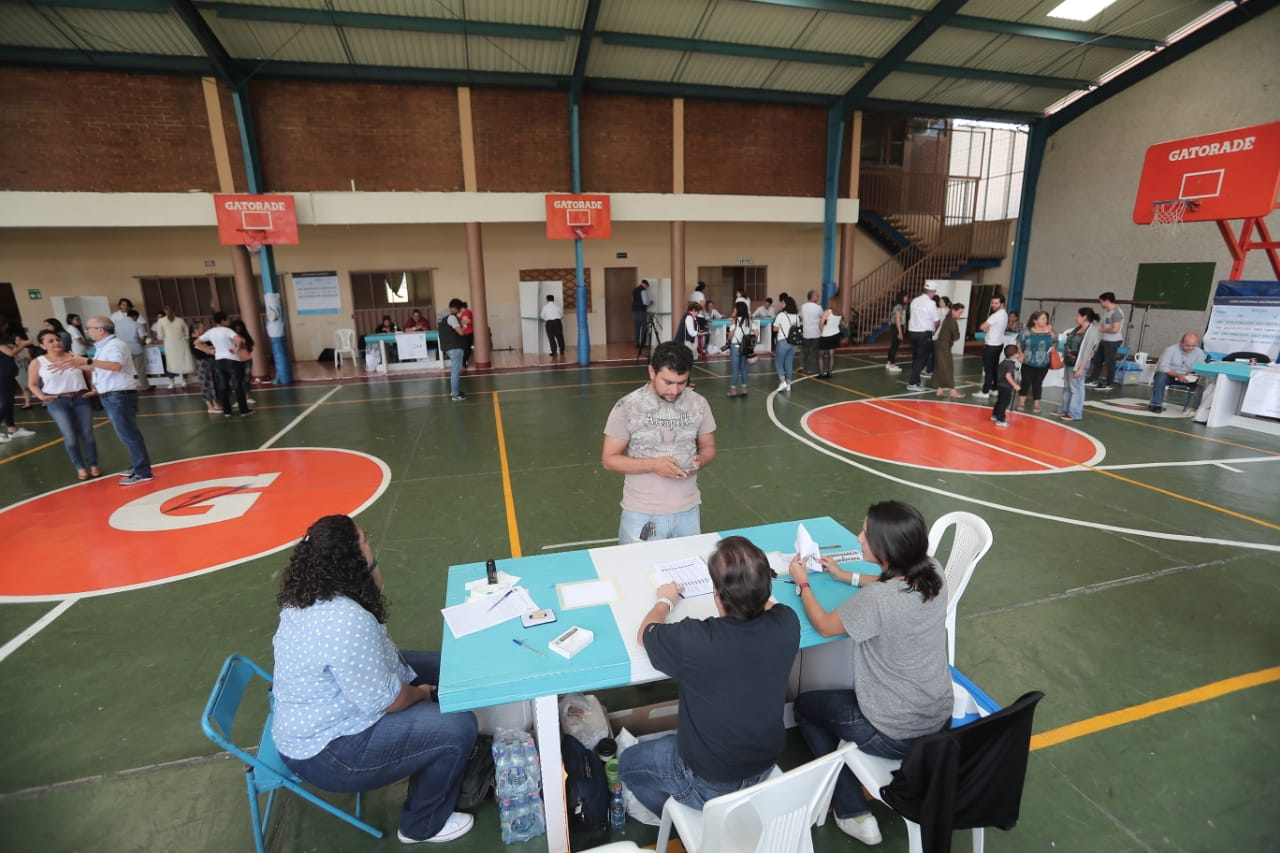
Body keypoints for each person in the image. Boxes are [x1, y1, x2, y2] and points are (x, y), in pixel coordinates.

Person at [272, 515, 478, 845]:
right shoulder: (346, 619)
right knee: (458, 726)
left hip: (326, 714)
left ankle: (432, 749)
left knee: (451, 666)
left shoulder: (308, 595)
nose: (370, 543)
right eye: (364, 540)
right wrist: (422, 695)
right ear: (352, 557)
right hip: (330, 752)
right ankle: (421, 824)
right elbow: (389, 701)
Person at [788, 501, 951, 846]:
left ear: (887, 549)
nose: (860, 538)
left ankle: (851, 810)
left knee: (805, 707)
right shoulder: (933, 571)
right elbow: (891, 585)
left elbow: (824, 625)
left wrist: (803, 584)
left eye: (866, 533)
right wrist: (846, 576)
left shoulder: (878, 600)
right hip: (938, 717)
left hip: (894, 732)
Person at [618, 536, 800, 817]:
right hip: (764, 763)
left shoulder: (696, 641)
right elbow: (769, 607)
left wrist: (665, 599)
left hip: (709, 781)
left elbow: (645, 633)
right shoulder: (787, 623)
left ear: (716, 593)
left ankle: (674, 819)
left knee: (628, 762)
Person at [601, 342, 716, 544]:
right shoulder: (628, 406)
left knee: (688, 573)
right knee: (636, 573)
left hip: (688, 511)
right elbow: (609, 460)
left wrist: (701, 460)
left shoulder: (698, 403)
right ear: (652, 372)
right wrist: (653, 465)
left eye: (682, 382)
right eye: (668, 382)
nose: (674, 390)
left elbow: (708, 446)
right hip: (642, 513)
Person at [72, 317, 154, 484]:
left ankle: (142, 471)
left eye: (89, 328)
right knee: (125, 433)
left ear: (101, 330)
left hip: (119, 395)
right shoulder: (104, 346)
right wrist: (75, 364)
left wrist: (86, 361)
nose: (87, 331)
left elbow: (116, 366)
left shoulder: (115, 345)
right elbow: (100, 367)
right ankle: (138, 465)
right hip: (113, 395)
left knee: (128, 433)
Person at [29, 329, 98, 479]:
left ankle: (93, 464)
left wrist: (94, 388)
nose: (56, 342)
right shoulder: (38, 362)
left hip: (81, 398)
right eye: (51, 341)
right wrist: (42, 397)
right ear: (42, 345)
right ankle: (80, 467)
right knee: (70, 435)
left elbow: (89, 373)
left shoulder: (74, 357)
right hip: (57, 402)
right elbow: (32, 384)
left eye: (58, 339)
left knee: (87, 433)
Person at [195, 313, 252, 417]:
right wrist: (236, 348)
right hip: (232, 359)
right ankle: (243, 410)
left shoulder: (211, 332)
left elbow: (197, 342)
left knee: (223, 386)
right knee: (238, 385)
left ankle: (227, 411)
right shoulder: (227, 330)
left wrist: (208, 350)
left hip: (219, 361)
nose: (229, 321)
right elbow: (239, 340)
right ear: (223, 321)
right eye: (227, 319)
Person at [1054, 307, 1099, 422]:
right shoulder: (1077, 329)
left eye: (1078, 316)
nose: (1075, 318)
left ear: (1084, 317)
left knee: (1076, 388)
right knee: (1068, 387)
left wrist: (1081, 368)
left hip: (1079, 364)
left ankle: (1075, 413)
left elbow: (1088, 352)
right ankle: (1064, 409)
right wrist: (1064, 360)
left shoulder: (1091, 332)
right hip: (1070, 361)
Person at [1148, 333, 1205, 413]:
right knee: (1160, 377)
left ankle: (1197, 408)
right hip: (1170, 376)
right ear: (1181, 342)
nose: (1190, 348)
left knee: (1204, 381)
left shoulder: (1199, 353)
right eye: (1187, 345)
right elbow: (1163, 367)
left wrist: (1196, 375)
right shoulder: (1170, 350)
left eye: (1193, 346)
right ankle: (1157, 404)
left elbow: (1201, 369)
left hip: (1188, 377)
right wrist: (1178, 375)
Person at [0, 322, 36, 443]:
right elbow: (10, 353)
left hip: (7, 374)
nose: (6, 327)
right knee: (6, 402)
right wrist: (24, 344)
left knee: (8, 402)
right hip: (3, 374)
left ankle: (12, 430)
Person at [1016, 311, 1055, 414]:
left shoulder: (1049, 331)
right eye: (1042, 319)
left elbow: (1055, 341)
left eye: (1046, 319)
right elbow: (1019, 342)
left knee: (1038, 383)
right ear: (1035, 320)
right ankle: (1021, 402)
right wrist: (1021, 353)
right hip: (1028, 361)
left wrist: (1051, 334)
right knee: (1025, 382)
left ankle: (1037, 404)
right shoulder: (1027, 331)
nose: (1045, 321)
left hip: (1043, 362)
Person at [1086, 292, 1125, 391]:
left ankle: (1109, 383)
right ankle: (1093, 379)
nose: (1100, 304)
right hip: (1105, 339)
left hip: (1113, 341)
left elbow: (1115, 329)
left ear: (1107, 301)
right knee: (1097, 360)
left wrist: (1101, 329)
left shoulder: (1116, 313)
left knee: (1109, 362)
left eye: (1101, 302)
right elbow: (1105, 325)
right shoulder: (1108, 311)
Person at [906, 282, 940, 391]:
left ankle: (917, 381)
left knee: (916, 358)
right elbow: (937, 321)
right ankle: (913, 383)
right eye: (934, 292)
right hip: (924, 334)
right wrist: (934, 331)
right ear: (931, 292)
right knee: (922, 359)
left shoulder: (914, 301)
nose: (934, 295)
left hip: (912, 333)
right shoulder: (931, 303)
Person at [974, 294, 1007, 398]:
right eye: (992, 303)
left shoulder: (996, 315)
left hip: (991, 345)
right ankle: (994, 388)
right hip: (998, 344)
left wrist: (986, 328)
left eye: (996, 303)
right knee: (993, 368)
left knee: (988, 369)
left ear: (1002, 304)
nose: (993, 305)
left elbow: (982, 326)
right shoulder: (1004, 314)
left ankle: (985, 391)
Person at [154, 306, 194, 390]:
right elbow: (160, 335)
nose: (168, 311)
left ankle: (183, 380)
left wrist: (184, 339)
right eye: (167, 310)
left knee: (183, 361)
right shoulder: (161, 321)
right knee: (171, 362)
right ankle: (172, 381)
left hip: (179, 344)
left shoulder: (180, 320)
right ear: (165, 311)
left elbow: (186, 332)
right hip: (171, 344)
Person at [112, 308, 150, 391]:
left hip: (122, 350)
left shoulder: (117, 324)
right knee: (140, 370)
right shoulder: (137, 325)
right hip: (136, 349)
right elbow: (142, 338)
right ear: (135, 316)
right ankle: (145, 386)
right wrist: (143, 343)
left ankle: (127, 387)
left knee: (125, 370)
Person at [933, 301, 965, 399]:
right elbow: (956, 336)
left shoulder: (948, 318)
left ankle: (939, 390)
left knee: (939, 368)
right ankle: (953, 391)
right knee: (948, 368)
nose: (960, 315)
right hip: (944, 347)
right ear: (953, 311)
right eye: (959, 312)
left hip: (939, 345)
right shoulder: (952, 321)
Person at [437, 298, 466, 401]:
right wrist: (466, 324)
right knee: (456, 371)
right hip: (455, 347)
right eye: (459, 309)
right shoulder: (452, 317)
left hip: (448, 346)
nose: (459, 311)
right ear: (455, 308)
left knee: (455, 370)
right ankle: (455, 394)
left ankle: (455, 391)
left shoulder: (442, 317)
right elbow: (461, 332)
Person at [189, 320, 221, 414]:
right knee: (206, 384)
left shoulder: (204, 338)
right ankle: (210, 406)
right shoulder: (193, 340)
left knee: (213, 382)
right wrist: (209, 349)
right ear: (196, 329)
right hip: (203, 363)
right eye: (201, 327)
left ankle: (215, 403)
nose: (204, 329)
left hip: (211, 362)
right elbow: (206, 350)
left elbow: (212, 347)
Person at [773, 294, 800, 392]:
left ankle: (782, 382)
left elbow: (775, 329)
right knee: (789, 362)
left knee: (779, 362)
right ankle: (788, 384)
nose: (781, 304)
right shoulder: (796, 316)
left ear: (786, 304)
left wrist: (781, 327)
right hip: (793, 342)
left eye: (783, 303)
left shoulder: (781, 315)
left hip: (783, 341)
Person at [991, 344, 1022, 427]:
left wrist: (1015, 368)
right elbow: (1008, 375)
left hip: (1000, 385)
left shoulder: (1004, 362)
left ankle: (994, 415)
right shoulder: (1010, 364)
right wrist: (1015, 385)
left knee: (1000, 401)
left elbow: (1005, 371)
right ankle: (1000, 420)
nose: (1019, 354)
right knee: (1004, 403)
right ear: (1014, 354)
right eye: (1018, 353)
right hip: (1006, 386)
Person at [726, 301, 752, 398]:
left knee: (735, 369)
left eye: (735, 308)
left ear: (737, 310)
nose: (733, 310)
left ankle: (733, 390)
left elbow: (731, 333)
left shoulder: (734, 319)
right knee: (744, 368)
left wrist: (728, 339)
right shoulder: (748, 320)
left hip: (735, 346)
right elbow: (756, 332)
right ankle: (744, 389)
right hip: (744, 346)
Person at [799, 290, 824, 375]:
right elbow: (822, 317)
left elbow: (801, 317)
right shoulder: (818, 307)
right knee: (814, 351)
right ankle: (811, 369)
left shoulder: (803, 306)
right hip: (816, 333)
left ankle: (802, 365)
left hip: (806, 332)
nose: (818, 297)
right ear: (813, 297)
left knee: (804, 350)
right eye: (817, 296)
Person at [817, 298, 843, 378]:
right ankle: (829, 373)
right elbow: (840, 323)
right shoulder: (840, 313)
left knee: (820, 355)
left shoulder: (827, 312)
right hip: (835, 335)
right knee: (832, 355)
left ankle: (821, 374)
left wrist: (822, 331)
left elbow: (821, 323)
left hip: (826, 336)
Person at [884, 290, 908, 374]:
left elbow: (893, 317)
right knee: (895, 346)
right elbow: (898, 319)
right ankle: (892, 364)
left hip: (895, 326)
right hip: (897, 327)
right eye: (906, 296)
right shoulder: (899, 306)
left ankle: (889, 362)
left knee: (893, 345)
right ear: (902, 297)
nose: (907, 298)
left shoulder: (898, 306)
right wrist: (900, 331)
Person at [632, 280, 652, 347]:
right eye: (647, 286)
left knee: (637, 328)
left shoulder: (635, 290)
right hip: (642, 311)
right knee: (644, 328)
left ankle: (637, 343)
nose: (646, 288)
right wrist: (650, 302)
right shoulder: (643, 291)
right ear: (645, 285)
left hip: (635, 311)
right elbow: (645, 302)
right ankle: (643, 344)